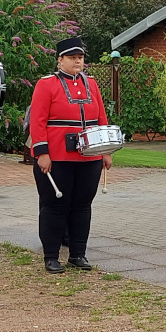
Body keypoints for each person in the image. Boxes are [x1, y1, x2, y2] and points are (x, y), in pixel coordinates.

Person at [28, 36, 114, 273]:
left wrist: (105, 150)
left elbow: (101, 118)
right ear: (60, 60)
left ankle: (78, 254)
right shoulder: (46, 84)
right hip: (57, 157)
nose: (77, 61)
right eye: (72, 58)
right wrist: (42, 152)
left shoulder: (92, 83)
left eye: (80, 57)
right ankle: (51, 256)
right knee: (55, 206)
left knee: (82, 206)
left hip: (89, 156)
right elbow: (37, 121)